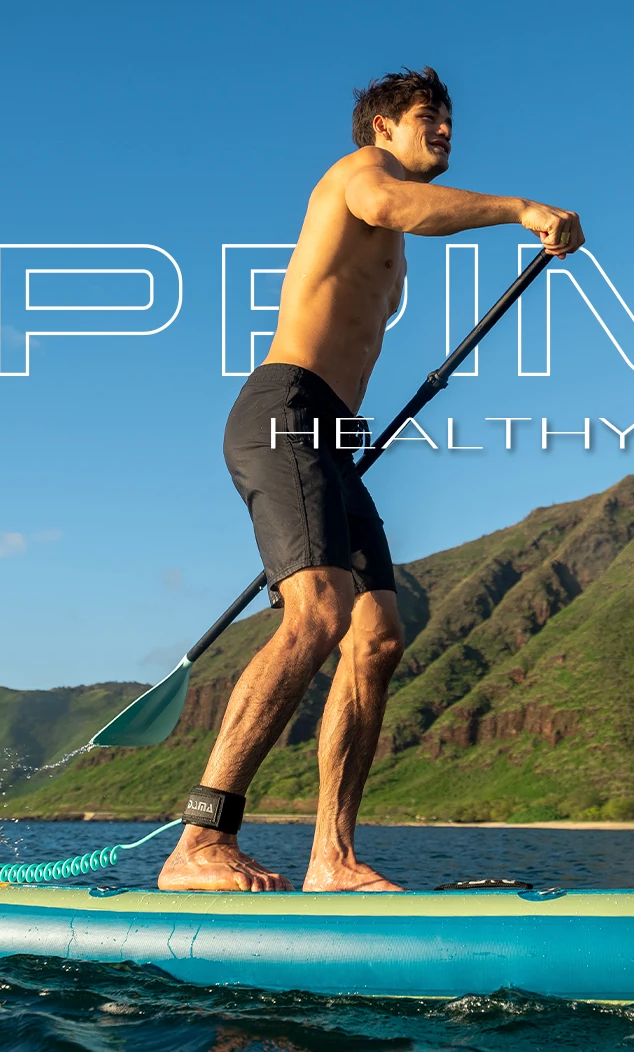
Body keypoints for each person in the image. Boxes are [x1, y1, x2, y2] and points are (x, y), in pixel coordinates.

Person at [158, 67, 584, 891]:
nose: (447, 129)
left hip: (331, 436)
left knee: (378, 638)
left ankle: (333, 858)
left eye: (451, 118)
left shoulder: (393, 229)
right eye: (429, 116)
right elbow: (399, 208)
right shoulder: (361, 176)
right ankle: (200, 841)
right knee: (318, 611)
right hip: (284, 411)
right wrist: (522, 210)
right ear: (383, 128)